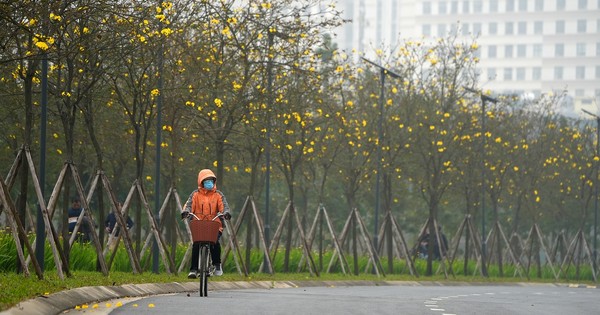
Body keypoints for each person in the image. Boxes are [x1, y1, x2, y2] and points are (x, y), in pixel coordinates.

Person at [181, 169, 231, 278]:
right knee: (196, 245)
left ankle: (217, 264)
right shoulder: (195, 195)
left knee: (215, 243)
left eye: (211, 180)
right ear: (201, 182)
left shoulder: (218, 195)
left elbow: (224, 206)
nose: (209, 183)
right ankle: (193, 269)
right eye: (206, 180)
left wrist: (226, 213)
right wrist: (185, 212)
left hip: (214, 225)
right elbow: (189, 205)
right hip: (199, 224)